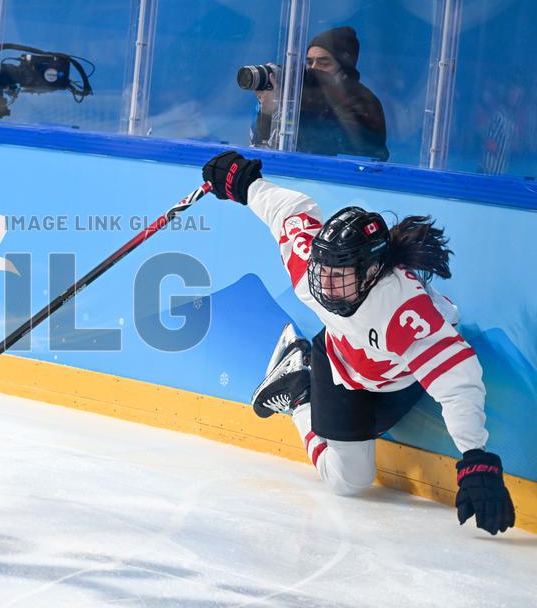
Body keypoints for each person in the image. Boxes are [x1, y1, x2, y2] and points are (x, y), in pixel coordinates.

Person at [200, 150, 515, 535]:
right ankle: (301, 393)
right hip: (340, 367)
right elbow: (290, 212)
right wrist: (247, 185)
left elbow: (457, 381)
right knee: (349, 482)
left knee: (356, 470)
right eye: (323, 270)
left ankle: (302, 382)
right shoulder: (312, 271)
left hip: (397, 383)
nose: (325, 284)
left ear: (371, 272)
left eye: (340, 275)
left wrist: (475, 455)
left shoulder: (401, 309)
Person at [252, 26, 389, 161]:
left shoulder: (362, 102)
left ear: (344, 68)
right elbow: (262, 149)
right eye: (309, 63)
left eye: (323, 63)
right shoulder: (300, 97)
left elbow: (352, 151)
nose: (313, 69)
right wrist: (268, 113)